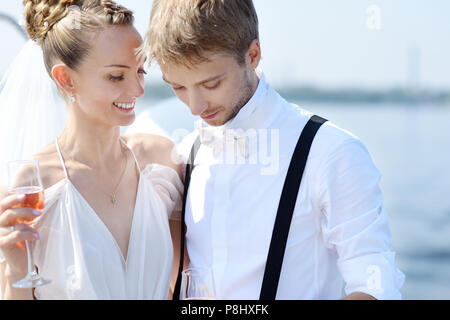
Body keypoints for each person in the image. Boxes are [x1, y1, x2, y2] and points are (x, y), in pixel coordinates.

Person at [141, 0, 405, 299]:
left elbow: (373, 285)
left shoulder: (332, 152)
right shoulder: (185, 154)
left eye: (212, 84)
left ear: (253, 55)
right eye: (178, 88)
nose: (194, 106)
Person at [0, 0, 183, 300]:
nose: (138, 90)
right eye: (116, 76)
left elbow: (185, 285)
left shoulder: (161, 163)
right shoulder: (32, 187)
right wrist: (16, 271)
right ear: (66, 78)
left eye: (140, 72)